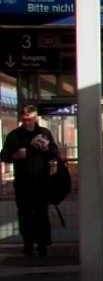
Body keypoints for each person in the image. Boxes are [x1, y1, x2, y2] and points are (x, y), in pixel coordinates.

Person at [0, 105, 61, 255]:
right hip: (23, 183)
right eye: (25, 120)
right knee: (25, 213)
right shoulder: (15, 136)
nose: (28, 123)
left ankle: (42, 244)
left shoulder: (44, 133)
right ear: (21, 119)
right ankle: (28, 243)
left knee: (41, 213)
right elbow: (4, 155)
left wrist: (46, 150)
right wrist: (15, 156)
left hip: (42, 181)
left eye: (30, 119)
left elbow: (55, 152)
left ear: (36, 118)